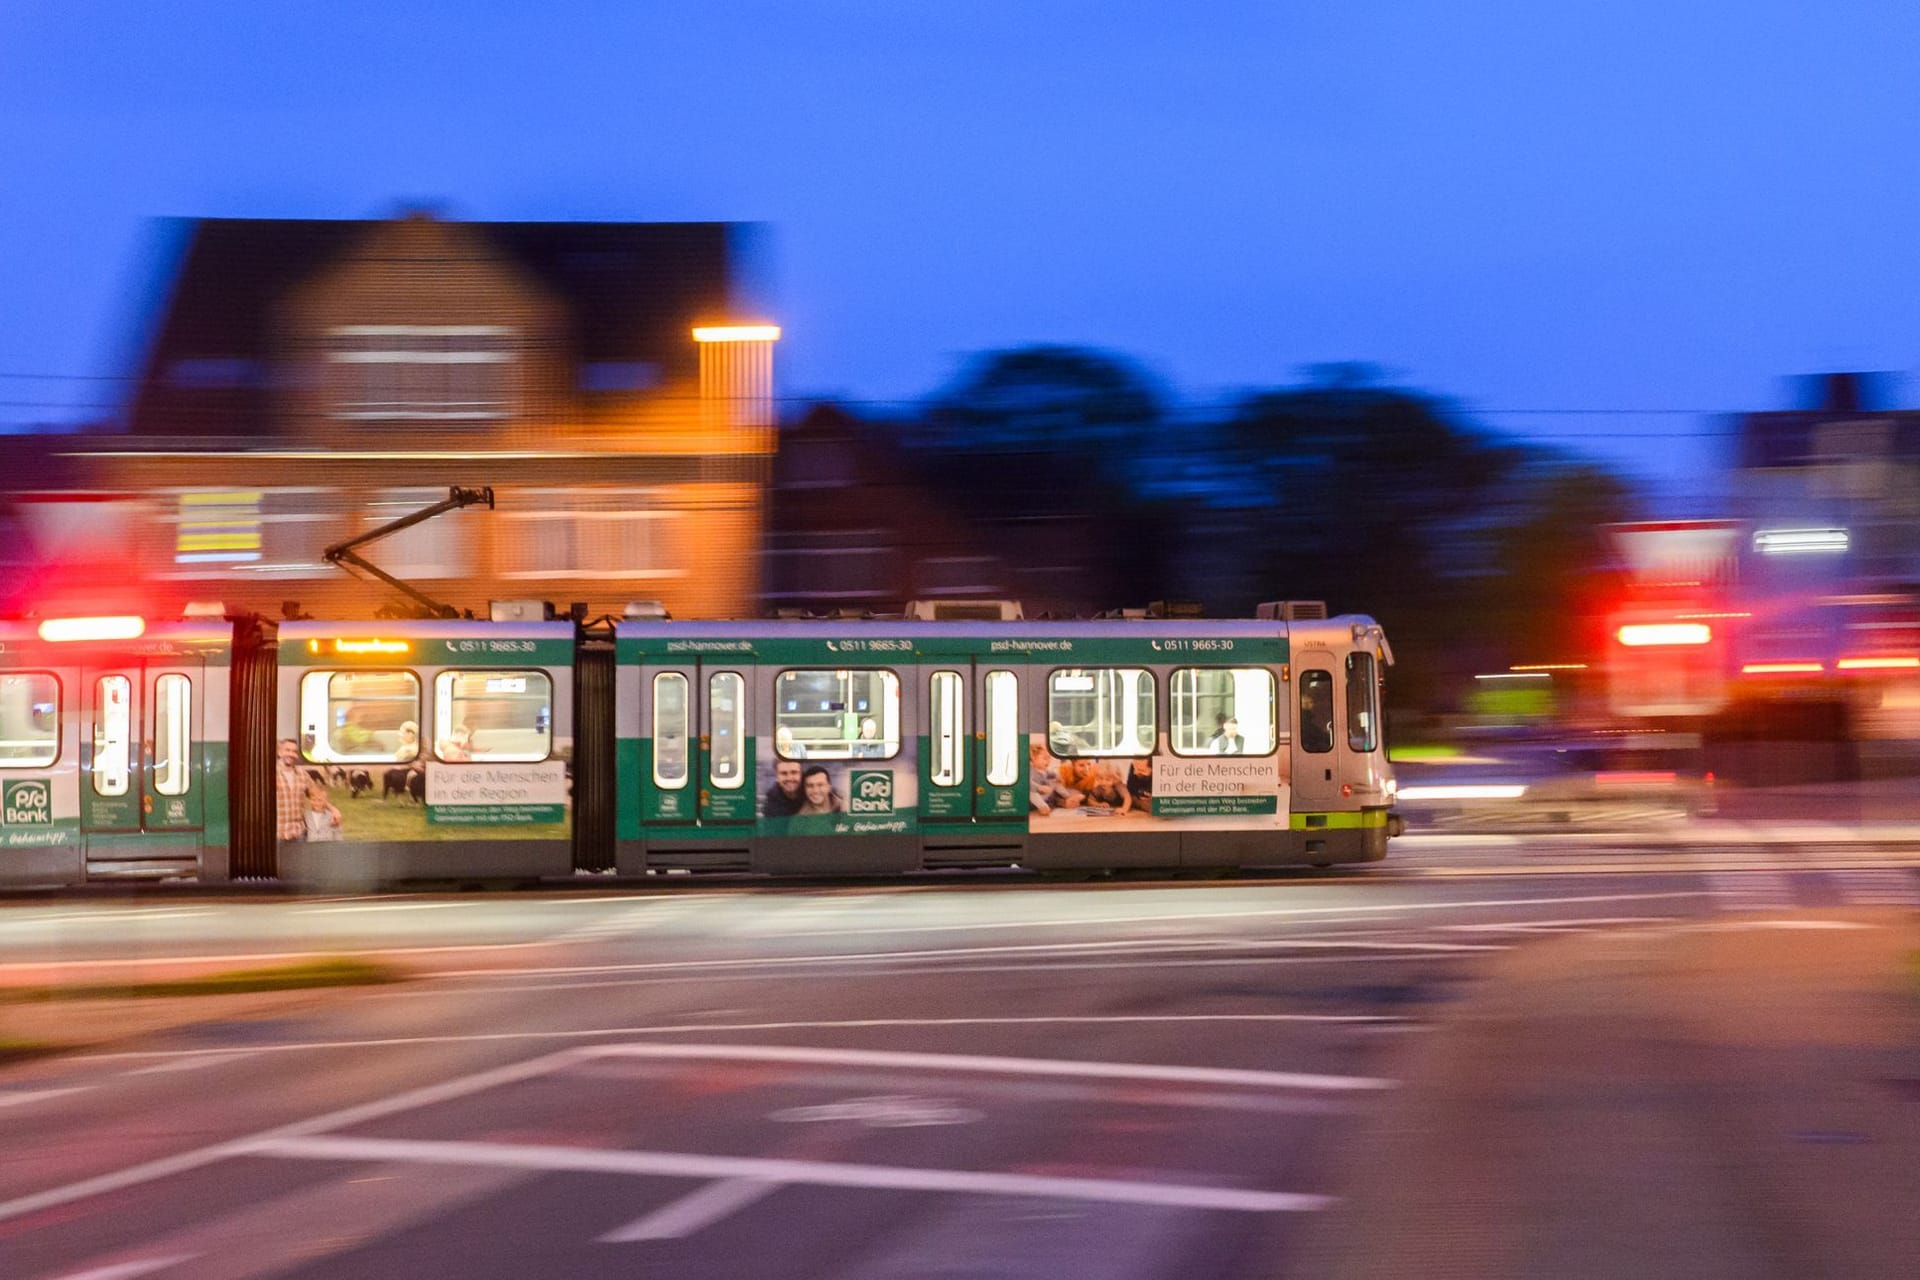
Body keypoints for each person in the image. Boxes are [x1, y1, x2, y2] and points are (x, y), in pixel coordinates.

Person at [1028, 741, 1083, 816]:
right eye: (1045, 758)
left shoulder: (1045, 771)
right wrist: (1039, 787)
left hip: (1044, 796)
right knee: (1031, 792)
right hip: (1033, 799)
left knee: (1056, 783)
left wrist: (1058, 778)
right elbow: (1027, 783)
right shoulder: (1031, 771)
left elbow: (1054, 775)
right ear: (1032, 760)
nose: (1048, 761)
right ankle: (1042, 806)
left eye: (1049, 758)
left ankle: (1068, 796)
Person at [275, 738, 308, 846]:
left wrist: (333, 809)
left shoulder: (303, 774)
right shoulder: (266, 773)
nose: (291, 754)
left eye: (294, 751)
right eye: (287, 750)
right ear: (280, 752)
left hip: (299, 834)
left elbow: (316, 793)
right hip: (277, 834)